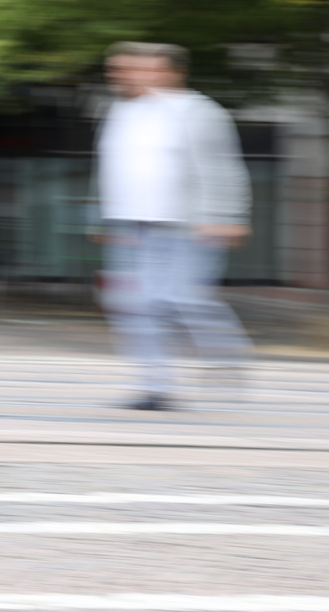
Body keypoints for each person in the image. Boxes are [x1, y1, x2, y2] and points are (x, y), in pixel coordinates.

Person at [96, 42, 254, 411]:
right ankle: (155, 387)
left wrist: (229, 218)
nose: (123, 75)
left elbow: (224, 168)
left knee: (183, 300)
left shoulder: (197, 111)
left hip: (186, 227)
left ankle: (227, 357)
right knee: (131, 305)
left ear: (170, 72)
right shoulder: (121, 111)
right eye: (119, 69)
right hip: (132, 227)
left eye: (138, 69)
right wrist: (104, 215)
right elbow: (113, 166)